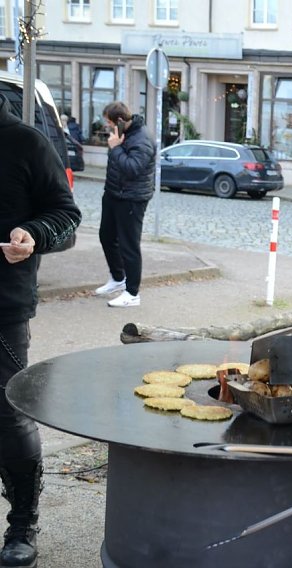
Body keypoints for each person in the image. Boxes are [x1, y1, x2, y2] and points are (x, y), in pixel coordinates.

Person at [0, 92, 81, 567]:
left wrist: (33, 234)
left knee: (7, 415)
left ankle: (22, 524)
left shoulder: (26, 143)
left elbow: (66, 215)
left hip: (3, 305)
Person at [93, 101, 156, 307]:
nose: (107, 127)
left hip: (132, 199)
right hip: (113, 194)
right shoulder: (123, 135)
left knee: (129, 245)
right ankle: (118, 279)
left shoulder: (142, 139)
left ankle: (132, 293)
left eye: (109, 123)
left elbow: (132, 168)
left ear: (119, 121)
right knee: (106, 236)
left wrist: (116, 148)